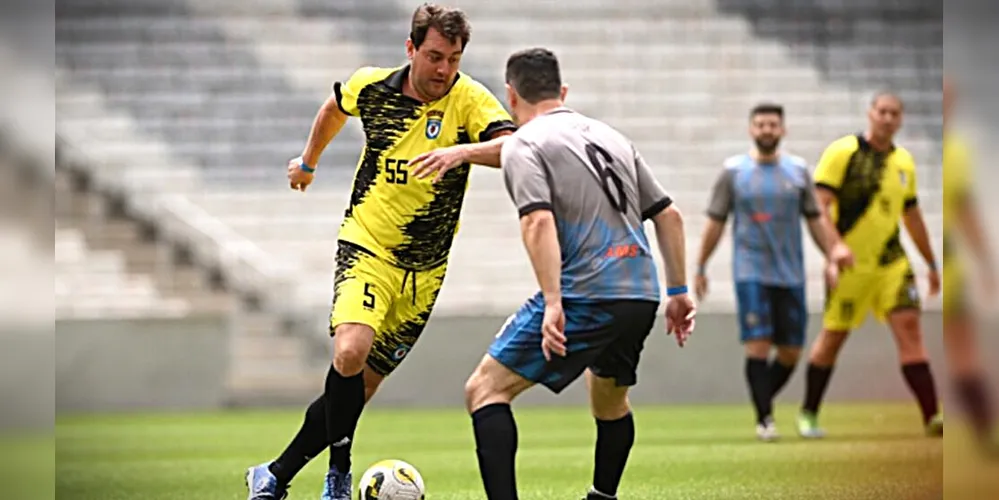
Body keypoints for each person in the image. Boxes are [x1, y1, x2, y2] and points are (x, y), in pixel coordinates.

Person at [244, 4, 517, 499]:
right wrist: (308, 162)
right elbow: (333, 108)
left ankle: (274, 475)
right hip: (368, 246)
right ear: (410, 48)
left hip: (426, 270)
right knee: (350, 350)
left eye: (453, 59)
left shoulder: (469, 100)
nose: (443, 70)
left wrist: (460, 151)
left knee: (359, 389)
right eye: (434, 56)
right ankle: (339, 474)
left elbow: (515, 148)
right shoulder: (372, 87)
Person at [463, 48, 696, 500]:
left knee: (485, 389)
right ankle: (602, 496)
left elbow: (537, 221)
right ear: (562, 91)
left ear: (511, 97)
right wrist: (680, 292)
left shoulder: (524, 143)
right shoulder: (612, 137)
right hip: (640, 293)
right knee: (609, 400)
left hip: (586, 292)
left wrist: (553, 302)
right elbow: (669, 216)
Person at [695, 103, 853, 441]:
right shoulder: (734, 172)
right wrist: (700, 266)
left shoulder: (797, 172)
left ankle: (761, 397)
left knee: (790, 352)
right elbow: (715, 222)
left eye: (773, 125)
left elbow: (815, 220)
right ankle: (765, 418)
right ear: (751, 129)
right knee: (758, 344)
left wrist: (831, 256)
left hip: (791, 274)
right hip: (751, 271)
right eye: (761, 124)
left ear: (783, 130)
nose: (767, 130)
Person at [797, 92, 944, 439]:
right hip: (850, 267)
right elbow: (819, 205)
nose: (888, 118)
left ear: (901, 119)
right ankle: (809, 412)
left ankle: (931, 416)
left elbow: (911, 214)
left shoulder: (904, 162)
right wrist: (835, 249)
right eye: (882, 112)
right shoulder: (843, 152)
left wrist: (931, 262)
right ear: (871, 114)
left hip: (892, 262)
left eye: (894, 113)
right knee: (834, 337)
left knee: (910, 329)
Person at [941, 77, 996, 451]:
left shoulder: (955, 151)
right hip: (910, 266)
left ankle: (983, 431)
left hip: (947, 268)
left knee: (964, 351)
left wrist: (985, 263)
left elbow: (966, 211)